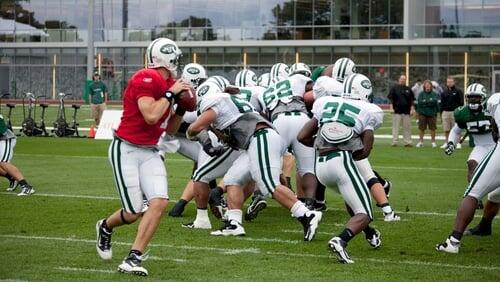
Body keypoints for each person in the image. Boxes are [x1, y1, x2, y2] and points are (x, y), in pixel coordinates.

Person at [95, 37, 190, 276]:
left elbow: (168, 129)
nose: (178, 62)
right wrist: (170, 95)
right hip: (126, 149)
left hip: (151, 150)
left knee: (159, 201)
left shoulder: (168, 83)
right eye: (175, 57)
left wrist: (181, 107)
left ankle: (133, 257)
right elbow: (150, 115)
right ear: (166, 57)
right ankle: (106, 227)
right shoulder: (146, 78)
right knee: (133, 212)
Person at [187, 84, 322, 240]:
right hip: (257, 141)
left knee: (268, 184)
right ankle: (234, 224)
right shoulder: (230, 101)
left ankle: (306, 214)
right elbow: (231, 132)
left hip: (260, 137)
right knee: (233, 180)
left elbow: (196, 126)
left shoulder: (212, 101)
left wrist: (192, 133)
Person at [298, 74, 381, 263]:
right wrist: (346, 149)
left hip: (320, 165)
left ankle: (369, 233)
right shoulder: (369, 110)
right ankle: (340, 240)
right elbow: (364, 152)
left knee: (352, 199)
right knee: (365, 213)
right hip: (341, 161)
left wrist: (323, 145)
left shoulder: (326, 104)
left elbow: (302, 136)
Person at [436, 92, 500, 254]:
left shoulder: (495, 100)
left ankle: (453, 242)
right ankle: (485, 226)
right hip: (481, 146)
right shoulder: (463, 113)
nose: (473, 100)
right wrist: (451, 143)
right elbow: (456, 131)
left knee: (472, 193)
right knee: (494, 195)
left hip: (495, 147)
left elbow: (496, 132)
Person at [0, 114, 35, 196]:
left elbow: (2, 131)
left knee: (3, 162)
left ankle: (26, 186)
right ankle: (12, 178)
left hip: (4, 139)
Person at [388, 75, 414, 147]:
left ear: (406, 80)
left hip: (406, 111)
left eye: (404, 79)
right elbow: (391, 99)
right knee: (395, 127)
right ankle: (394, 142)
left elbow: (411, 101)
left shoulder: (408, 89)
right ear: (399, 80)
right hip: (396, 111)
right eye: (401, 79)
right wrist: (391, 108)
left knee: (407, 128)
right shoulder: (394, 88)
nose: (402, 80)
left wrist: (412, 109)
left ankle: (407, 142)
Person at [415, 80, 441, 148]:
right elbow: (420, 103)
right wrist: (429, 102)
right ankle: (420, 142)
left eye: (429, 86)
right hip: (422, 114)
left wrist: (426, 102)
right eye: (426, 86)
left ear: (431, 86)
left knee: (432, 129)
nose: (427, 87)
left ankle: (433, 142)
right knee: (421, 128)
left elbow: (434, 102)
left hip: (432, 114)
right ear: (424, 86)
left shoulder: (434, 94)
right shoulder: (421, 94)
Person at [440, 77, 464, 149]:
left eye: (451, 82)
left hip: (455, 112)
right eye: (448, 82)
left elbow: (461, 102)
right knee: (446, 129)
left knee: (457, 129)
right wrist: (441, 112)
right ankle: (447, 142)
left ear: (453, 82)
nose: (449, 83)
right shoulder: (444, 92)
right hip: (446, 112)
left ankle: (458, 143)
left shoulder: (458, 91)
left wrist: (459, 112)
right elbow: (442, 103)